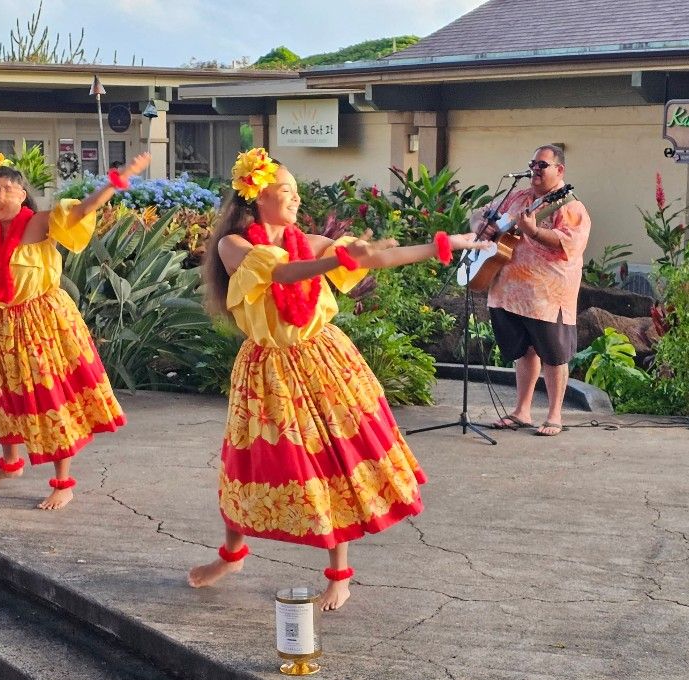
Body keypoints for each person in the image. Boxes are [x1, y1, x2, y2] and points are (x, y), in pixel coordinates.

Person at [187, 147, 479, 610]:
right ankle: (232, 554)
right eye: (286, 191)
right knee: (247, 462)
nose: (296, 198)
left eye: (297, 191)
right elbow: (281, 272)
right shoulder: (234, 246)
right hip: (268, 367)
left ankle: (339, 575)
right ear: (257, 196)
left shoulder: (312, 243)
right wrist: (338, 261)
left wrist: (447, 244)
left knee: (332, 460)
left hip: (321, 359)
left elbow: (379, 259)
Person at [0, 151, 150, 510]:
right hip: (2, 326)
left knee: (48, 396)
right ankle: (10, 464)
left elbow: (83, 210)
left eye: (7, 188)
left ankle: (63, 482)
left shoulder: (39, 223)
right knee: (2, 396)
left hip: (42, 321)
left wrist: (119, 179)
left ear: (22, 193)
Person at [472, 145, 591, 436]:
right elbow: (479, 213)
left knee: (553, 355)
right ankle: (522, 411)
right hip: (510, 292)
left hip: (547, 295)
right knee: (523, 352)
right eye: (532, 164)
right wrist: (482, 226)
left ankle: (553, 416)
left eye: (542, 165)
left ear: (559, 170)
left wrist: (534, 231)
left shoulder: (569, 205)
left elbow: (570, 244)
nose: (534, 170)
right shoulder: (518, 196)